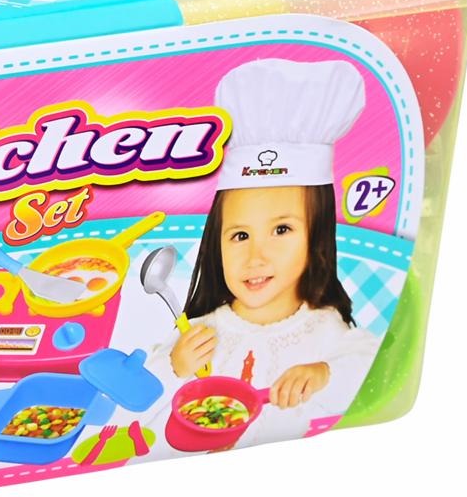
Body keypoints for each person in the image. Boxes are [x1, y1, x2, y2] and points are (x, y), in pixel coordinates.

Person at [154, 58, 380, 442]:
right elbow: (137, 404)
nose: (255, 257)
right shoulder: (200, 330)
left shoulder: (325, 328)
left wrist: (324, 372)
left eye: (281, 229)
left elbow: (375, 366)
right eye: (240, 235)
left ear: (315, 238)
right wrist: (173, 367)